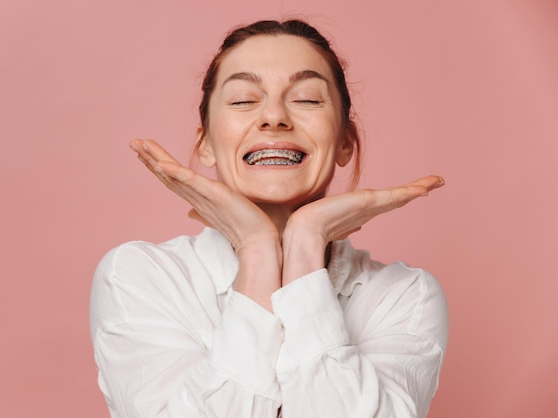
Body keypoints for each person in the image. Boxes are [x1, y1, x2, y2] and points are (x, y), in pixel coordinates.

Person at [90, 19, 448, 418]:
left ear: (345, 143)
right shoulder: (141, 276)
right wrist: (258, 249)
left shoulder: (404, 295)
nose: (274, 116)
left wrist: (305, 243)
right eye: (244, 100)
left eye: (308, 99)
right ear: (206, 143)